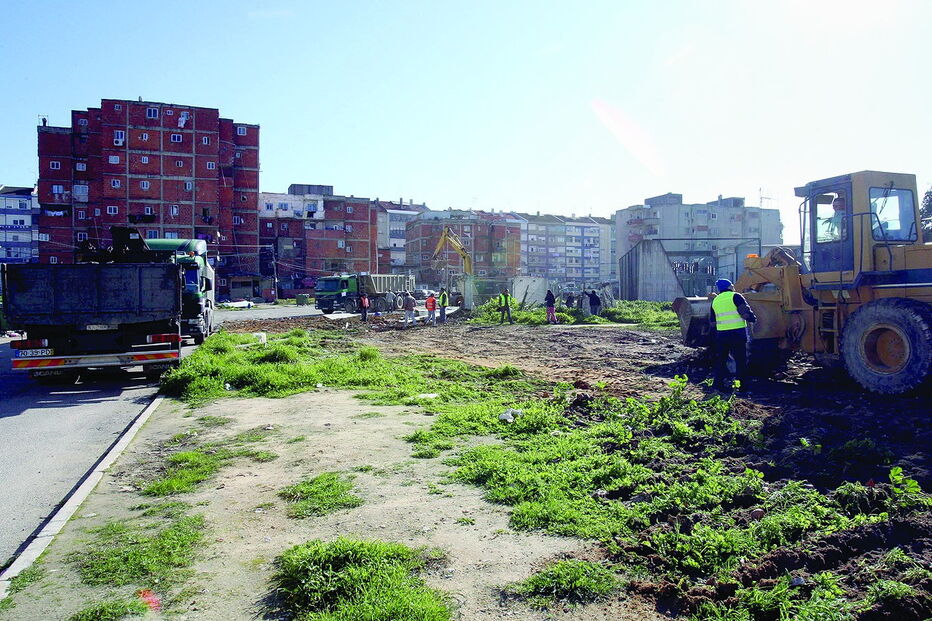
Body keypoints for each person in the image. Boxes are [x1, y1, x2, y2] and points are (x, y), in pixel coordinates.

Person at [710, 278, 757, 390]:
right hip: (737, 334)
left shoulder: (715, 301)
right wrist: (753, 318)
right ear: (729, 286)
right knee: (740, 360)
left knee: (721, 360)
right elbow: (745, 313)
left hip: (722, 335)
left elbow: (712, 322)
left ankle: (717, 385)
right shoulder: (736, 296)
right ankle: (742, 386)